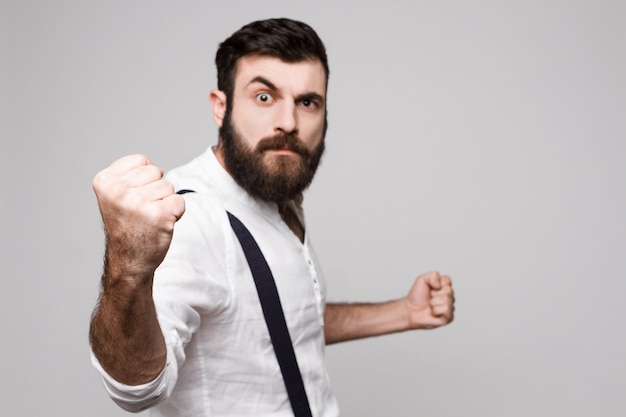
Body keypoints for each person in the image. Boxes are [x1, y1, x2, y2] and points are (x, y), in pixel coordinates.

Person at [89, 18, 455, 417]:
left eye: (307, 102)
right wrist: (127, 268)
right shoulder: (191, 219)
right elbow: (136, 389)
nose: (289, 123)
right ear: (221, 106)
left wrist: (404, 312)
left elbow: (279, 317)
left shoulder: (276, 192)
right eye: (264, 97)